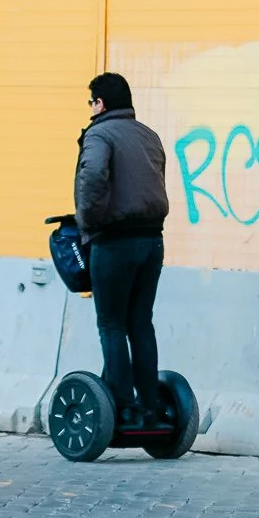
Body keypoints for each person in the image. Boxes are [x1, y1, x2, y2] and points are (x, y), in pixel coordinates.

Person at [74, 73, 172, 428]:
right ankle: (150, 407)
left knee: (112, 324)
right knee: (140, 323)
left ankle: (121, 405)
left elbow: (94, 177)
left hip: (115, 241)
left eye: (91, 102)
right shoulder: (149, 135)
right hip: (152, 240)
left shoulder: (99, 134)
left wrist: (89, 221)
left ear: (99, 103)